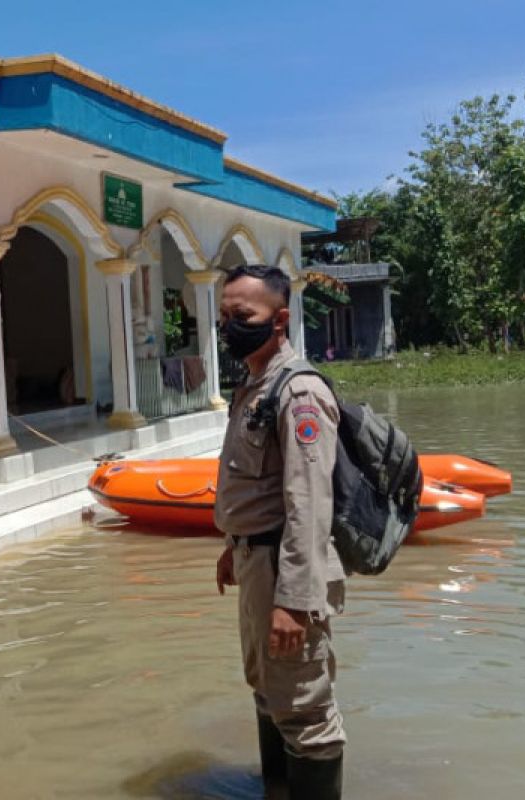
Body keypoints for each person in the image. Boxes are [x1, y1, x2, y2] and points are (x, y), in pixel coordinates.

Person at [214, 265, 346, 799]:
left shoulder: (299, 393)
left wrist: (293, 601)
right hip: (255, 562)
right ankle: (277, 790)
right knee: (268, 689)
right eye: (224, 316)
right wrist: (233, 547)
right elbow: (258, 485)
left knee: (306, 711)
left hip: (286, 571)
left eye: (242, 316)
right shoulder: (253, 385)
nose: (229, 326)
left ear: (281, 320)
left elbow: (309, 504)